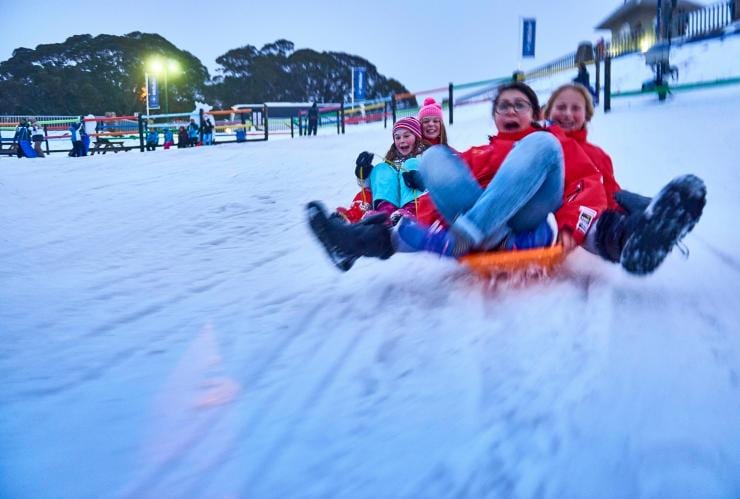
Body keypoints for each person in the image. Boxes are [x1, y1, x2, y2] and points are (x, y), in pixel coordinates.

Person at [307, 82, 608, 271]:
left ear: (534, 113)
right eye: (504, 106)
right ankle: (350, 244)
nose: (511, 111)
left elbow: (587, 184)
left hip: (530, 214)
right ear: (495, 116)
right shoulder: (477, 154)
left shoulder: (556, 143)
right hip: (486, 223)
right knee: (434, 157)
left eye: (520, 105)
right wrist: (408, 219)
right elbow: (442, 194)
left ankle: (462, 237)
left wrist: (573, 228)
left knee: (542, 144)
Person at [543, 83, 706, 274]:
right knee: (597, 223)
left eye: (576, 108)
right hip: (570, 210)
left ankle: (659, 222)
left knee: (625, 200)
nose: (568, 114)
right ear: (548, 112)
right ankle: (628, 242)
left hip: (594, 204)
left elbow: (609, 192)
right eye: (561, 107)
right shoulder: (544, 143)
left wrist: (628, 211)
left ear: (586, 115)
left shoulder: (598, 155)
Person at [337, 100, 450, 224]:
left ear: (417, 137)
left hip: (418, 207)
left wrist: (422, 180)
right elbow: (375, 186)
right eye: (397, 137)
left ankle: (409, 211)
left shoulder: (426, 155)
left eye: (406, 136)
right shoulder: (392, 158)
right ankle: (366, 215)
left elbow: (442, 179)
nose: (402, 140)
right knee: (381, 168)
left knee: (411, 164)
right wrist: (363, 173)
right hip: (390, 208)